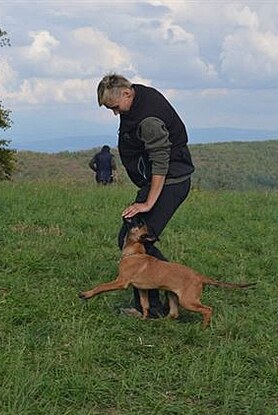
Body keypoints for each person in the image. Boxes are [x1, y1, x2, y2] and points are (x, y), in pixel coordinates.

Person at [97, 73, 195, 318]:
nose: (115, 114)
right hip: (159, 181)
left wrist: (148, 202)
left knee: (140, 240)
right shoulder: (137, 97)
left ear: (127, 93)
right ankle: (154, 303)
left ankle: (159, 302)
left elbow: (161, 161)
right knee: (131, 236)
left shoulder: (148, 119)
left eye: (115, 107)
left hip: (170, 182)